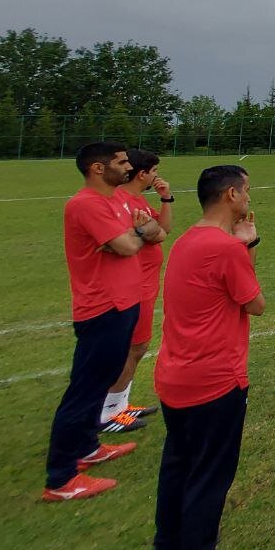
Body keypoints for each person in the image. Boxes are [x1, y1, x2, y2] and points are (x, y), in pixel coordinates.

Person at [149, 165, 263, 550]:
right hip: (214, 381)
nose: (250, 197)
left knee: (178, 465)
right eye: (246, 190)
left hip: (173, 377)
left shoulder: (186, 241)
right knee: (209, 477)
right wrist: (248, 246)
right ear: (230, 195)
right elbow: (254, 303)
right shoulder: (225, 247)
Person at [43, 143, 167, 502]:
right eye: (121, 162)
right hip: (102, 308)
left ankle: (88, 447)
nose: (128, 167)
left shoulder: (115, 201)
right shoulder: (86, 204)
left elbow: (148, 234)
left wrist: (136, 235)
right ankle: (61, 478)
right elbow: (129, 245)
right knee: (83, 392)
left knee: (99, 385)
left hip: (125, 303)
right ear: (98, 168)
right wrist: (136, 235)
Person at [100, 148, 174, 431]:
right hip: (131, 285)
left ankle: (120, 405)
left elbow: (163, 231)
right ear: (142, 174)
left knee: (137, 347)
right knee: (132, 347)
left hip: (144, 283)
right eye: (154, 171)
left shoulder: (139, 199)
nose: (156, 176)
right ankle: (109, 412)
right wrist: (149, 232)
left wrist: (166, 198)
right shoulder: (120, 201)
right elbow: (144, 236)